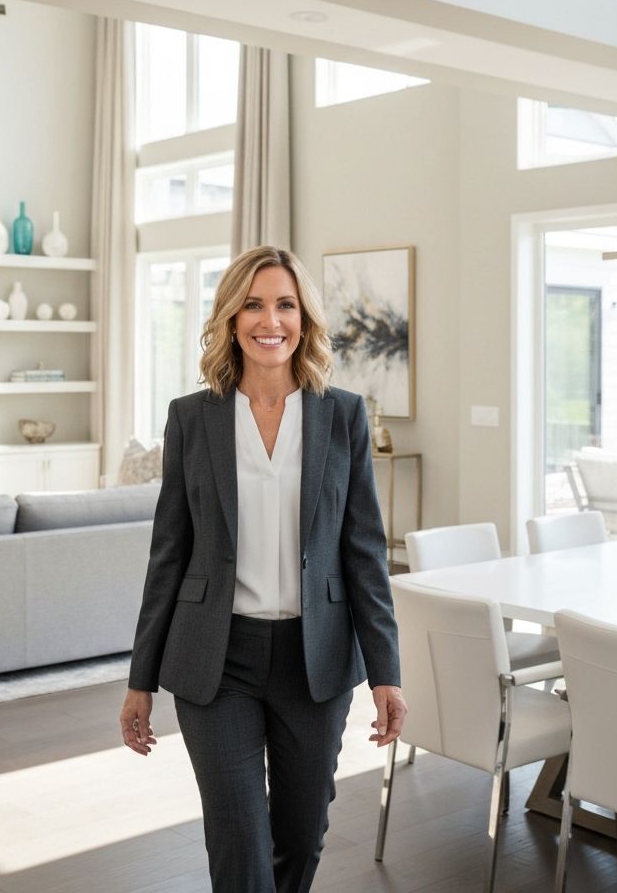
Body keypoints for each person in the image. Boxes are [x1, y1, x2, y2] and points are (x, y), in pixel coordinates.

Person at [119, 245, 407, 893]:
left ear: (303, 317)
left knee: (301, 839)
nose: (267, 320)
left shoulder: (344, 417)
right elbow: (168, 554)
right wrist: (140, 679)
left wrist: (386, 671)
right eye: (252, 304)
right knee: (239, 840)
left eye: (283, 304)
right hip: (217, 660)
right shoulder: (192, 419)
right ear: (230, 317)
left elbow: (365, 554)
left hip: (316, 661)